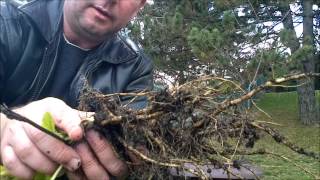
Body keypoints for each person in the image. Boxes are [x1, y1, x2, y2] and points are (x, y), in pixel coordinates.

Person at [0, 0, 153, 179]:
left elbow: (138, 150)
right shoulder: (8, 23)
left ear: (139, 6)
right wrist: (4, 126)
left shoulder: (135, 68)